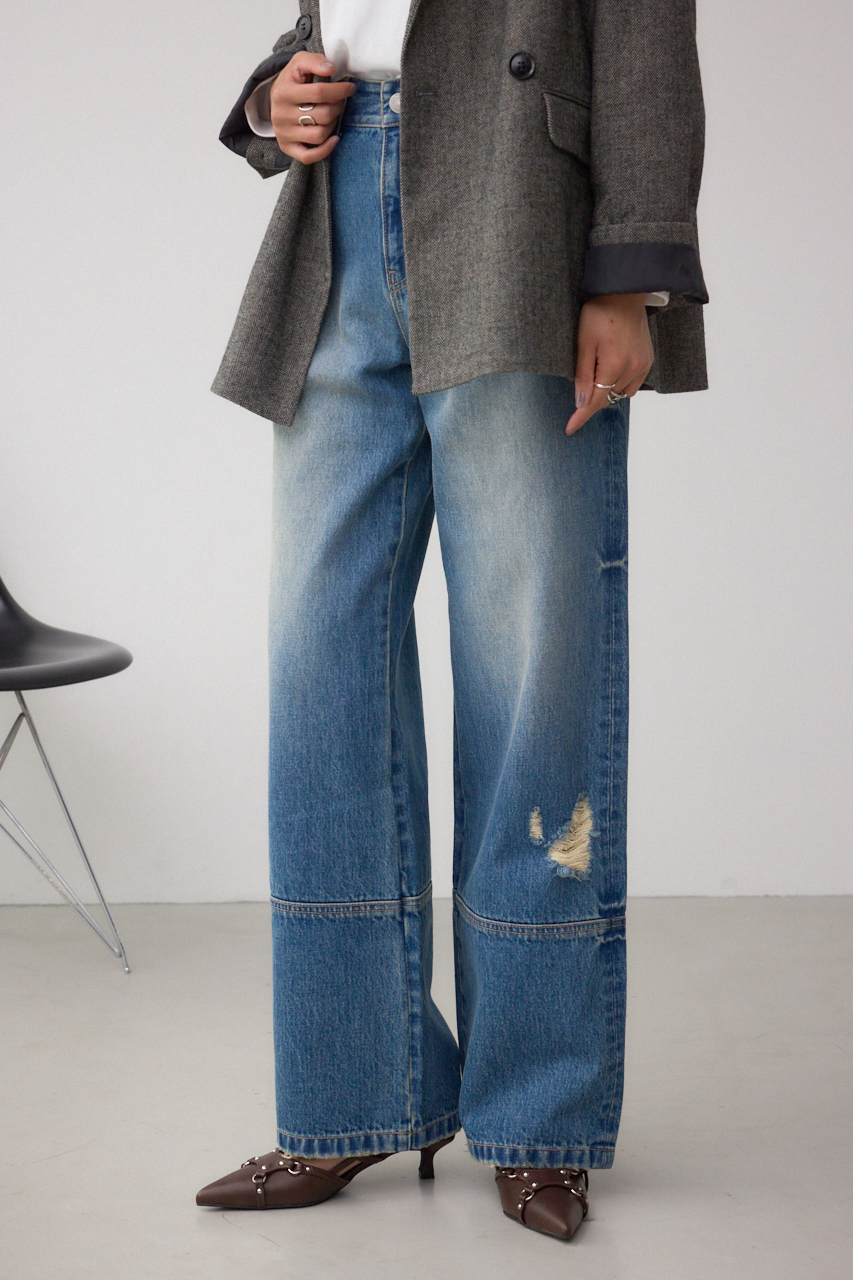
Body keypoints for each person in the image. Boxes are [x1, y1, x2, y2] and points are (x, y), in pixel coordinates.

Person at [196, 0, 708, 1241]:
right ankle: (353, 1099)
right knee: (321, 672)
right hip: (336, 211)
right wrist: (276, 94)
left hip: (517, 202)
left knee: (530, 672)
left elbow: (643, 32)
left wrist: (629, 271)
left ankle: (534, 1118)